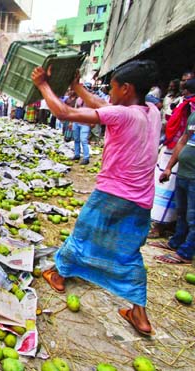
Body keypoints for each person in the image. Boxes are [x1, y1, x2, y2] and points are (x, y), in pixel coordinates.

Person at [32, 60, 161, 336]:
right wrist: (77, 86)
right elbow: (102, 105)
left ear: (126, 89)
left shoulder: (125, 115)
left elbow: (64, 112)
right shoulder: (152, 112)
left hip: (113, 193)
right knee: (129, 254)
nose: (109, 94)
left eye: (113, 88)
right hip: (142, 199)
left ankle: (58, 275)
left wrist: (42, 84)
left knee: (82, 236)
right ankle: (139, 315)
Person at [149, 79, 195, 239]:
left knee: (188, 209)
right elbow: (182, 138)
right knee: (180, 205)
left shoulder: (188, 106)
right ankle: (174, 237)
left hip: (187, 169)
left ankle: (181, 244)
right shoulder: (187, 109)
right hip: (176, 157)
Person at [154, 105, 195, 264]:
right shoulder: (193, 116)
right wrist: (169, 167)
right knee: (182, 213)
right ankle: (176, 243)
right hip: (184, 172)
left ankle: (185, 253)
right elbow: (183, 141)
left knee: (193, 217)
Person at [71, 97, 90, 165]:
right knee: (76, 139)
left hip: (85, 123)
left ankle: (86, 158)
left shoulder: (89, 100)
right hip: (76, 122)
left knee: (84, 140)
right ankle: (77, 155)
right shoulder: (78, 99)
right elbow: (75, 110)